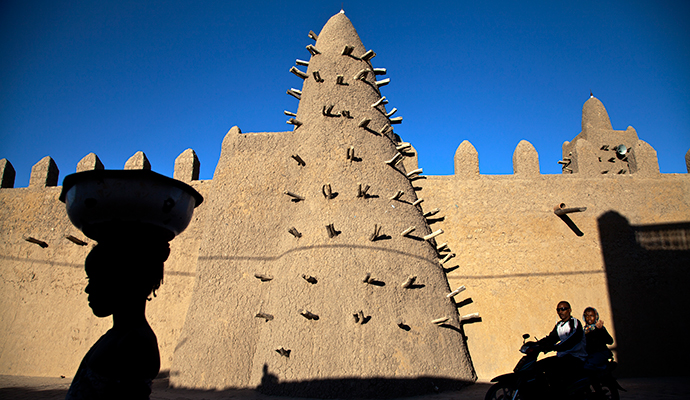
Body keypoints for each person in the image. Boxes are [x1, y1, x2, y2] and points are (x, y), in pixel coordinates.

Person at [65, 239, 169, 400]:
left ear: (125, 282)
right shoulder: (119, 337)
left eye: (97, 280)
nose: (88, 288)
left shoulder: (135, 343)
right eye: (89, 280)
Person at [537, 301, 588, 388]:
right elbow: (552, 338)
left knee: (554, 371)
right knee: (539, 366)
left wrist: (556, 347)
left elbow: (573, 338)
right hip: (563, 356)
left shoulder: (574, 322)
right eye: (558, 310)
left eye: (563, 309)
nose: (560, 312)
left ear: (569, 310)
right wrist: (537, 344)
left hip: (576, 357)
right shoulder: (559, 325)